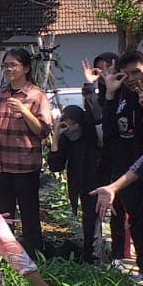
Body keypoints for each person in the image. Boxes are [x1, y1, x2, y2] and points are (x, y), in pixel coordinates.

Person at [0, 47, 53, 255]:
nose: (8, 69)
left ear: (25, 68)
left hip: (27, 165)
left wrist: (25, 111)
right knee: (4, 213)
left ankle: (35, 254)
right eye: (6, 65)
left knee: (29, 213)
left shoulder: (36, 95)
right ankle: (7, 255)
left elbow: (43, 131)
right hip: (2, 165)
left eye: (13, 65)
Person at [100, 51, 143, 282]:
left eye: (136, 72)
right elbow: (110, 132)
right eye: (126, 74)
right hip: (126, 170)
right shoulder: (121, 96)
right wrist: (110, 94)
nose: (132, 78)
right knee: (137, 220)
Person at [46, 105, 103, 262]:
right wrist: (56, 137)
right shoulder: (66, 139)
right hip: (79, 184)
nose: (70, 128)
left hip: (97, 182)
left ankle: (95, 256)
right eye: (66, 124)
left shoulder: (91, 135)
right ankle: (88, 256)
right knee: (87, 219)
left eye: (74, 123)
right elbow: (55, 166)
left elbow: (95, 114)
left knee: (94, 220)